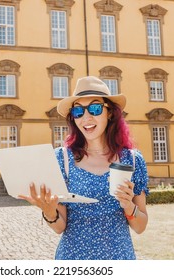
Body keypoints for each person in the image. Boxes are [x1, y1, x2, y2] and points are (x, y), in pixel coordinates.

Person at [19, 76, 149, 260]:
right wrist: (49, 211)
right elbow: (60, 227)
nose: (86, 117)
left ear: (110, 112)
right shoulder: (62, 159)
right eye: (78, 111)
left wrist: (128, 206)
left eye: (95, 108)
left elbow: (140, 226)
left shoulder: (132, 160)